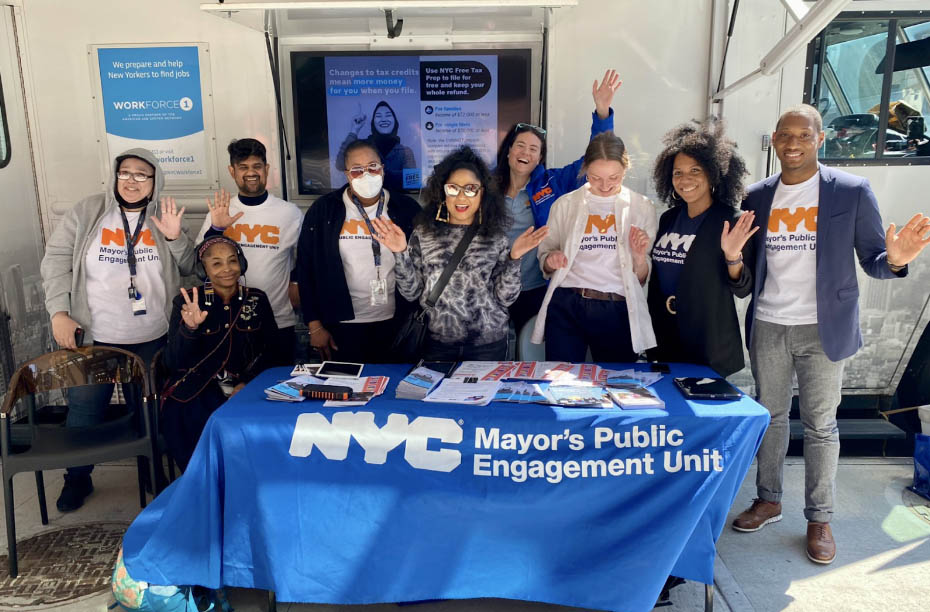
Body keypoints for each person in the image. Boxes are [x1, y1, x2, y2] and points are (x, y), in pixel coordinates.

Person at [731, 104, 930, 564]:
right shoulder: (757, 197)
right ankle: (769, 499)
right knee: (771, 417)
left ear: (820, 140)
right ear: (775, 141)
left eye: (804, 135)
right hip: (769, 323)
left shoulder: (852, 192)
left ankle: (819, 518)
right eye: (785, 135)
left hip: (826, 329)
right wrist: (732, 262)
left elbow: (876, 262)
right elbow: (745, 275)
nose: (794, 143)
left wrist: (897, 257)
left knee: (822, 426)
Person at [40, 148, 193, 513]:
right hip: (95, 335)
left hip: (152, 336)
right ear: (115, 174)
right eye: (126, 172)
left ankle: (152, 471)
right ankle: (78, 477)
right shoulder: (88, 211)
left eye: (143, 174)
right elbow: (57, 260)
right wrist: (58, 312)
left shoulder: (164, 217)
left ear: (155, 181)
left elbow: (191, 268)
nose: (132, 181)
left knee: (150, 409)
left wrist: (174, 238)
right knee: (85, 409)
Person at [371, 146, 547, 361]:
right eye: (453, 188)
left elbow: (505, 298)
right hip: (437, 344)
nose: (462, 197)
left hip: (488, 345)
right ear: (442, 192)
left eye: (471, 188)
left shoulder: (495, 236)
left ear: (482, 193)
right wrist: (400, 252)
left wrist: (514, 258)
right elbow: (411, 292)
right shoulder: (424, 234)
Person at [495, 69, 620, 333]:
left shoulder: (553, 184)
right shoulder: (486, 188)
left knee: (531, 354)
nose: (525, 152)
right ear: (508, 152)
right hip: (492, 286)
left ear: (540, 158)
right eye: (520, 145)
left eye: (533, 149)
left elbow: (593, 160)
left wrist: (602, 114)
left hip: (538, 286)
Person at [531, 132, 657, 362]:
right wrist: (551, 260)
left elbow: (640, 279)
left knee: (616, 384)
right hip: (568, 303)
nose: (605, 185)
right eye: (596, 177)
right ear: (585, 169)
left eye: (614, 177)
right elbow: (545, 255)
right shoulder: (565, 204)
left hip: (617, 308)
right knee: (561, 383)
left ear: (625, 169)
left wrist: (639, 257)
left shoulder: (642, 207)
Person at [647, 119, 757, 376]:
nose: (685, 179)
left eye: (695, 170)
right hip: (665, 335)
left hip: (706, 339)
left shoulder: (732, 220)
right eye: (678, 172)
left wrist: (732, 256)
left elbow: (743, 289)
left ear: (712, 172)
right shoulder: (669, 218)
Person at [296, 140, 422, 363]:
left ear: (383, 168)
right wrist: (314, 325)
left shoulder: (407, 209)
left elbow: (422, 265)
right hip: (340, 325)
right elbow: (306, 270)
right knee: (348, 391)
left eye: (373, 166)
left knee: (390, 388)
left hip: (396, 323)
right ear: (346, 175)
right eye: (357, 170)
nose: (367, 174)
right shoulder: (324, 210)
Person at [160, 236, 276, 470]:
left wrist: (247, 383)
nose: (227, 269)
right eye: (217, 263)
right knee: (192, 427)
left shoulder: (257, 299)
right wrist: (190, 329)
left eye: (232, 261)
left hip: (246, 387)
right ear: (204, 270)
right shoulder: (187, 301)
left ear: (241, 264)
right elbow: (172, 361)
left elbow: (273, 351)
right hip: (199, 391)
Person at [196, 138, 302, 366]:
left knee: (279, 390)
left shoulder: (289, 213)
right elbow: (200, 262)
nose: (251, 173)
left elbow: (307, 258)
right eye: (243, 167)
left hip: (278, 320)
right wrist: (217, 229)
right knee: (233, 392)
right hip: (228, 322)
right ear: (232, 171)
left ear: (267, 169)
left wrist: (295, 283)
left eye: (257, 166)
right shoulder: (221, 212)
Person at [336, 100, 417, 193]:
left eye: (388, 115)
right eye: (378, 116)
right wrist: (354, 130)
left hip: (397, 204)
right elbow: (340, 164)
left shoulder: (405, 151)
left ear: (395, 121)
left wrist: (375, 172)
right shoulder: (363, 147)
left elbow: (412, 183)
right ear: (373, 123)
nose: (383, 119)